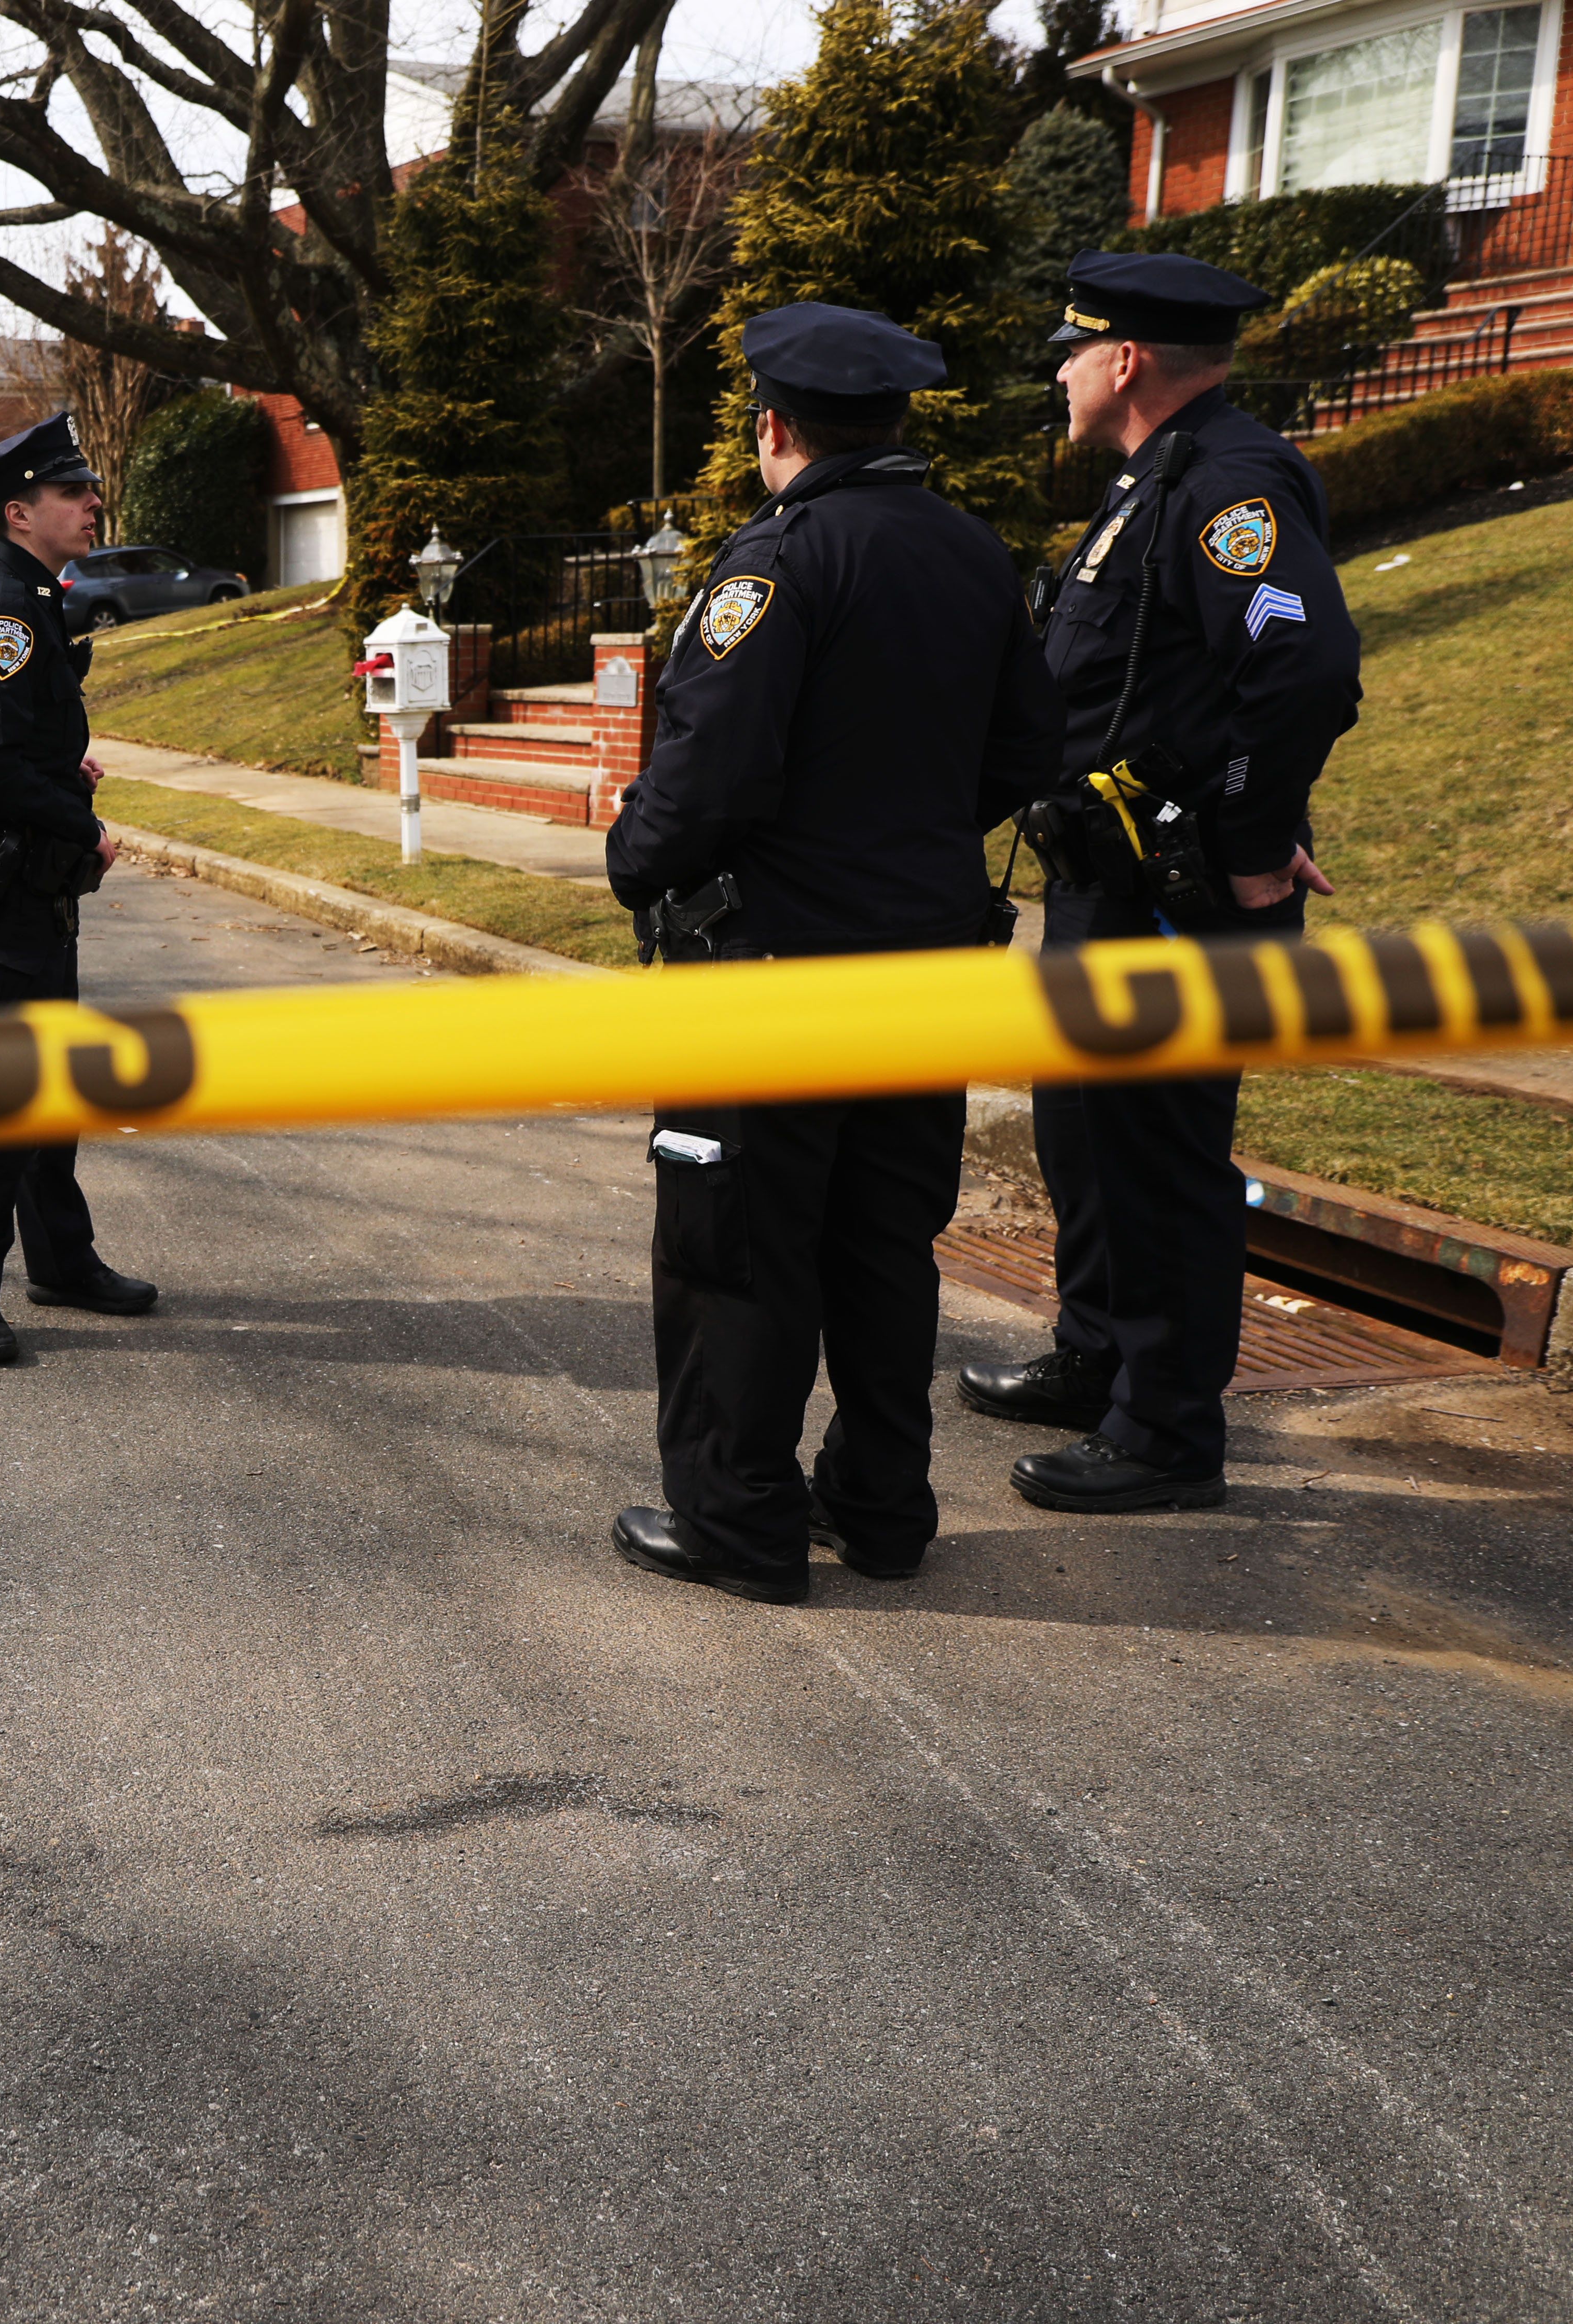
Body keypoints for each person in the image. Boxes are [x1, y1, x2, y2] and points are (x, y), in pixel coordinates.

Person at [602, 303, 1063, 1606]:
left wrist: (636, 861)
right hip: (923, 968)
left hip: (769, 967)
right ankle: (879, 1506)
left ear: (775, 427)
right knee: (880, 1238)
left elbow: (709, 775)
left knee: (736, 1240)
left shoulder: (777, 565)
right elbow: (1031, 748)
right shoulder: (975, 555)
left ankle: (738, 1518)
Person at [958, 252, 1362, 1515]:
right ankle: (1100, 1358)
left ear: (1125, 361)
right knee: (1085, 1136)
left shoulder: (1229, 485)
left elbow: (1299, 671)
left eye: (1071, 353)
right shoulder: (1156, 481)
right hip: (1108, 878)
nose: (1060, 375)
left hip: (1178, 897)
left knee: (1161, 1155)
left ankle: (1168, 1429)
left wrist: (1249, 844)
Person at [0, 412, 158, 1366]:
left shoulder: (19, 594)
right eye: (73, 493)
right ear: (21, 512)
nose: (93, 503)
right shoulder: (8, 609)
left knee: (47, 1081)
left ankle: (63, 1260)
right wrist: (81, 824)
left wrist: (65, 774)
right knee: (1, 1095)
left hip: (22, 877)